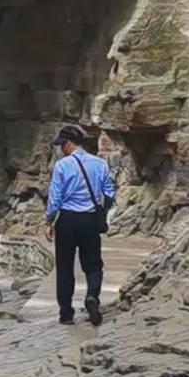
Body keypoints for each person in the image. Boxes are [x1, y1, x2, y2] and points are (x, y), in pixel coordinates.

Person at [47, 124, 116, 323]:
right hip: (89, 219)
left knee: (65, 266)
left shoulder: (62, 165)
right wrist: (102, 213)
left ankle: (66, 313)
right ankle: (92, 295)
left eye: (62, 144)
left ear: (68, 143)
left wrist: (49, 221)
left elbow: (55, 198)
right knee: (93, 263)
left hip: (67, 220)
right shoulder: (99, 164)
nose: (61, 149)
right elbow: (109, 192)